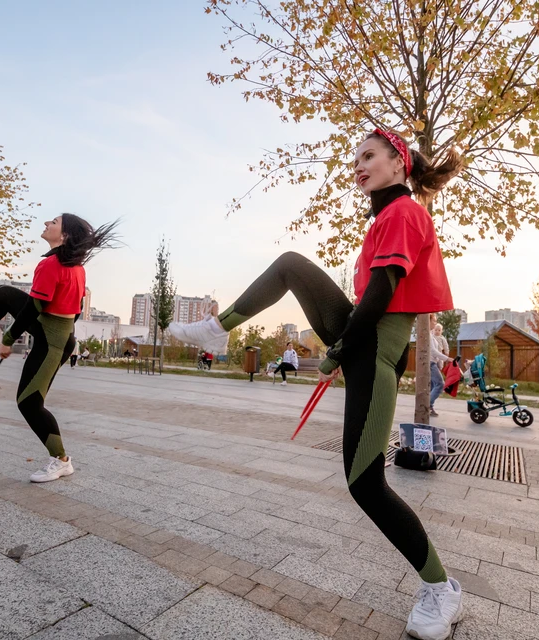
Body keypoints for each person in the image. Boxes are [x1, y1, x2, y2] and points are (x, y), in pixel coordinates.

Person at [168, 129, 463, 640]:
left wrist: (339, 352)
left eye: (368, 156)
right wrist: (341, 352)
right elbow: (370, 300)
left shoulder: (404, 213)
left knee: (366, 485)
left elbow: (383, 294)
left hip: (373, 347)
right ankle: (215, 330)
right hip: (365, 345)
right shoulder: (387, 218)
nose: (359, 166)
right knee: (289, 266)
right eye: (356, 160)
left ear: (399, 164)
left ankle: (442, 588)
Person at [0, 214, 119, 482]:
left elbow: (32, 309)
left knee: (29, 403)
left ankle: (61, 460)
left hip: (53, 342)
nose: (46, 224)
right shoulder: (77, 267)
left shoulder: (51, 265)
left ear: (65, 236)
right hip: (55, 333)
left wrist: (8, 339)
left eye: (54, 222)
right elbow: (74, 312)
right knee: (3, 293)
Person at [428, 315, 453, 417]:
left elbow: (439, 350)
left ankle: (430, 407)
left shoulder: (431, 335)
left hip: (434, 362)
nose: (435, 323)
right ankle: (426, 405)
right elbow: (433, 351)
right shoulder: (428, 335)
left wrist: (441, 362)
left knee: (433, 386)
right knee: (440, 384)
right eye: (434, 321)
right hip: (430, 363)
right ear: (428, 321)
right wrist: (446, 359)